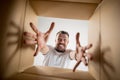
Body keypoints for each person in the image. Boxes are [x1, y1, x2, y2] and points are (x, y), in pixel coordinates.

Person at [23, 22, 93, 72]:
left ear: (68, 42)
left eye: (64, 40)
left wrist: (78, 54)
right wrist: (42, 44)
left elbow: (74, 55)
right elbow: (44, 48)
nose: (62, 41)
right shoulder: (49, 49)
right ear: (55, 40)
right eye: (59, 39)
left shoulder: (68, 53)